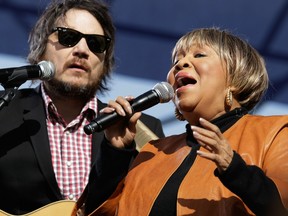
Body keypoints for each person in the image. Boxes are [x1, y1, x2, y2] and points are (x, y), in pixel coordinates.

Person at [90, 27, 288, 216]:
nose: (180, 64)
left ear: (236, 77)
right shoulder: (153, 153)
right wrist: (115, 152)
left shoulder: (276, 133)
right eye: (176, 59)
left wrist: (235, 170)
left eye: (199, 55)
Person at [0, 0, 165, 215]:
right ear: (41, 49)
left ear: (105, 62)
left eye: (96, 44)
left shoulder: (144, 132)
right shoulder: (4, 112)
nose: (82, 50)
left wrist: (117, 151)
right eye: (68, 37)